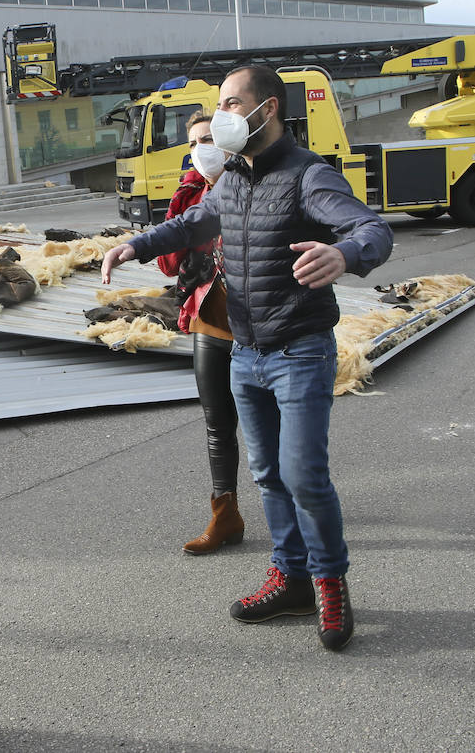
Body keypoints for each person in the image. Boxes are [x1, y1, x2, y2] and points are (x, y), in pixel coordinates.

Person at [102, 65, 393, 651]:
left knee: (304, 476)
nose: (225, 115)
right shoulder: (232, 177)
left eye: (234, 104)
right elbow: (193, 222)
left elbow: (371, 228)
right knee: (266, 476)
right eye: (222, 104)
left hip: (299, 350)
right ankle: (290, 578)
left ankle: (329, 583)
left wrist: (346, 254)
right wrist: (136, 244)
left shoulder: (309, 175)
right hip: (245, 354)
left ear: (269, 109)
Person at [154, 112, 244, 556]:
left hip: (258, 325)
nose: (201, 148)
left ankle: (299, 510)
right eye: (194, 142)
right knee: (217, 425)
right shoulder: (191, 191)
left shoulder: (251, 178)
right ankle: (224, 514)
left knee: (276, 426)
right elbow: (167, 264)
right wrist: (187, 220)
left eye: (209, 138)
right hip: (209, 320)